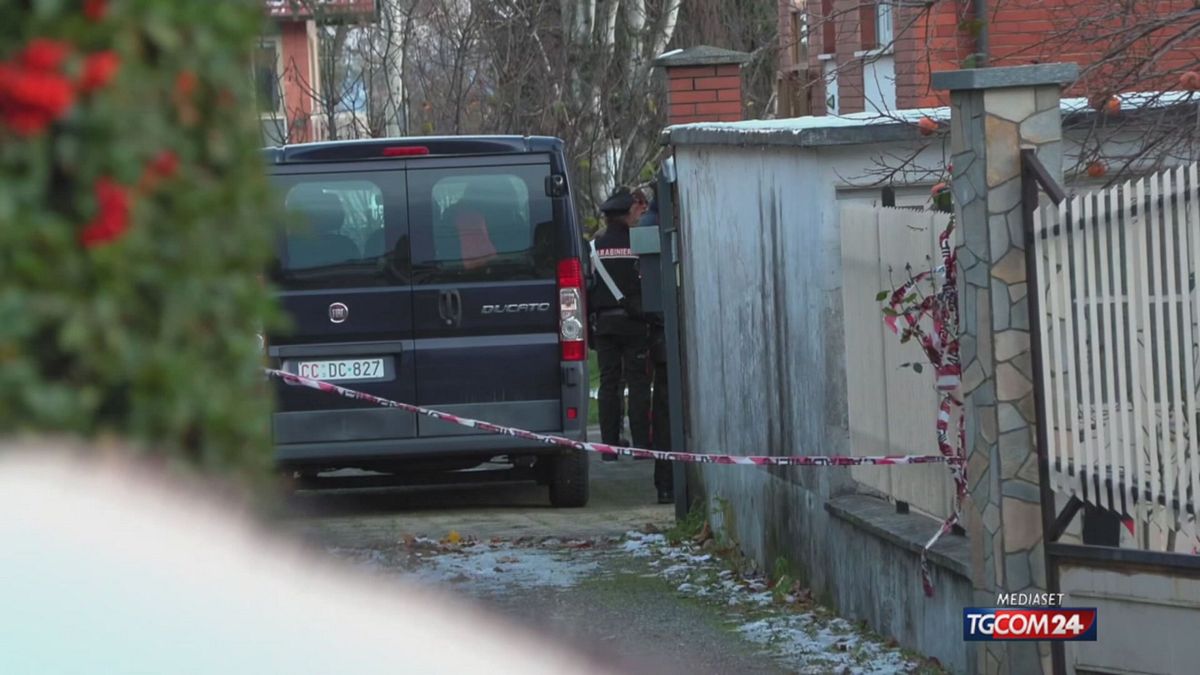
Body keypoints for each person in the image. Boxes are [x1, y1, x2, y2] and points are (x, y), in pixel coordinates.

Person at [588, 187, 652, 469]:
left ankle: (609, 446)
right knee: (638, 383)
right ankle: (641, 445)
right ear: (627, 214)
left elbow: (587, 288)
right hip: (635, 323)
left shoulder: (592, 248)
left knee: (608, 383)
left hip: (604, 324)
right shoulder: (639, 244)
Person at [635, 189, 674, 505]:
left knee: (662, 412)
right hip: (666, 333)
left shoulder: (646, 226)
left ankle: (665, 483)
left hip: (657, 336)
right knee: (667, 411)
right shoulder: (659, 226)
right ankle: (668, 482)